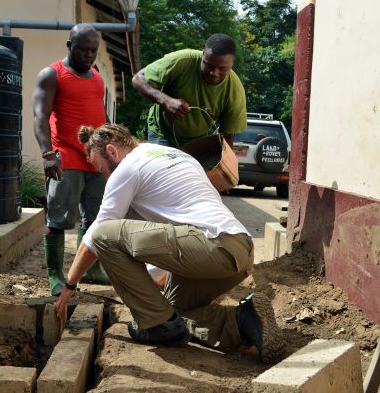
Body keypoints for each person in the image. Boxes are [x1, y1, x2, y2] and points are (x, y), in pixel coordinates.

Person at [54, 124, 285, 363]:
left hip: (212, 247)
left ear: (111, 151)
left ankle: (156, 326)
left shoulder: (129, 167)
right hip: (241, 251)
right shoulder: (177, 156)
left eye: (102, 169)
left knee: (104, 235)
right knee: (173, 314)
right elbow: (164, 236)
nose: (105, 177)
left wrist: (70, 283)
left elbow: (97, 235)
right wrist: (147, 290)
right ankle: (245, 321)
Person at [33, 23, 109, 296]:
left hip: (96, 160)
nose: (89, 55)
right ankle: (55, 275)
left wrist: (112, 152)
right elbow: (39, 116)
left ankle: (90, 269)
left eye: (93, 50)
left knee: (96, 219)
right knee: (59, 219)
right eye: (83, 49)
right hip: (65, 156)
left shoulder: (98, 77)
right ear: (69, 45)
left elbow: (102, 117)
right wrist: (47, 154)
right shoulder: (52, 74)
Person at [132, 33, 247, 149]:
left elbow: (227, 136)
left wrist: (228, 164)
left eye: (222, 69)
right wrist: (166, 101)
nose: (214, 73)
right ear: (203, 55)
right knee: (162, 166)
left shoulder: (235, 91)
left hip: (197, 142)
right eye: (209, 66)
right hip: (162, 132)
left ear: (232, 63)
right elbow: (138, 79)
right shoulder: (182, 60)